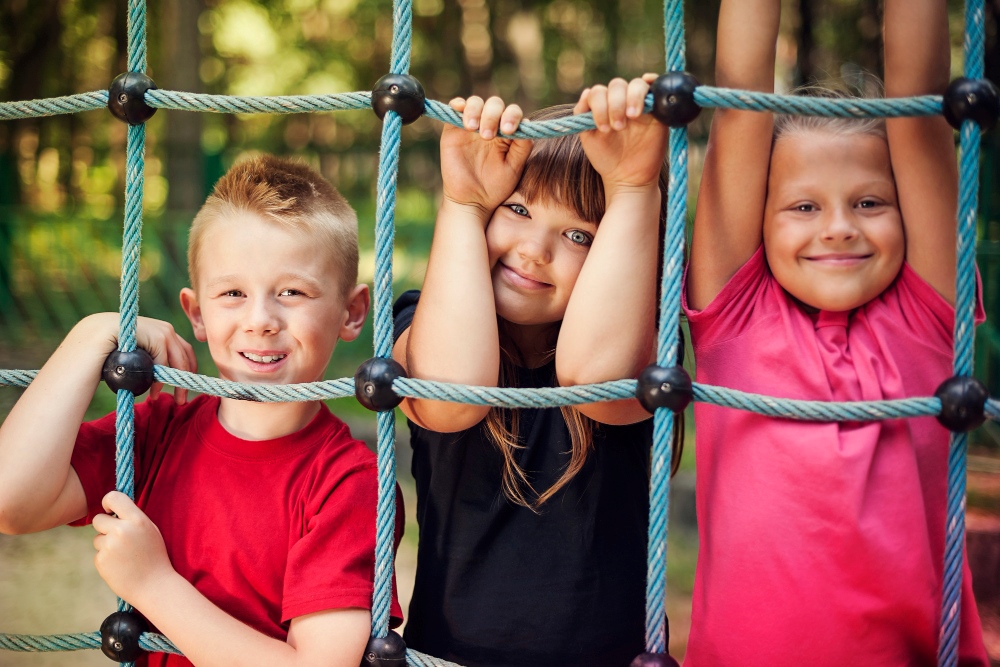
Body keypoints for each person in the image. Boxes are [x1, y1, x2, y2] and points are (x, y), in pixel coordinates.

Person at [0, 155, 403, 667]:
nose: (261, 320)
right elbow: (10, 501)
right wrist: (90, 336)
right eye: (233, 293)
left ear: (352, 312)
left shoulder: (349, 483)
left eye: (292, 292)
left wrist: (152, 584)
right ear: (196, 312)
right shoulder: (155, 431)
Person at [683, 0, 990, 664]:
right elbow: (739, 103)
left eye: (870, 202)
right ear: (758, 224)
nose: (839, 227)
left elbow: (921, 93)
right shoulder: (736, 320)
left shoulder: (928, 320)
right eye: (802, 206)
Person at [391, 76, 677, 667]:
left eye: (579, 234)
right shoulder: (423, 320)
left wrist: (631, 189)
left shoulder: (643, 354)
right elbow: (451, 398)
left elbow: (594, 378)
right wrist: (464, 203)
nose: (534, 250)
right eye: (517, 209)